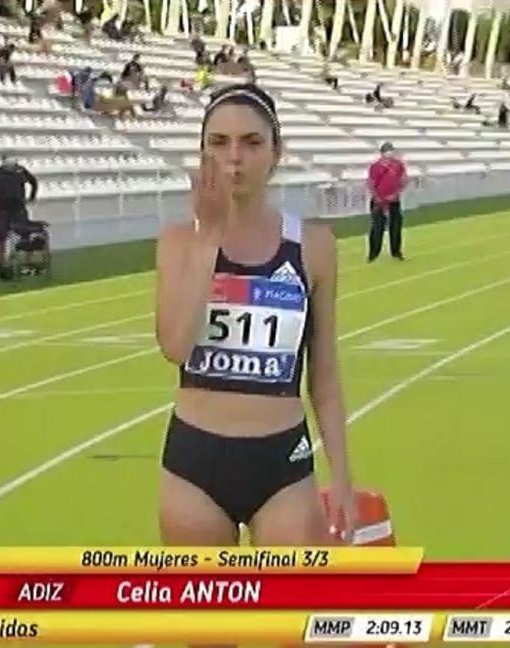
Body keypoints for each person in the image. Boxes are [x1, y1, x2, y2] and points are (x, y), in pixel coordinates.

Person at [154, 84, 357, 558]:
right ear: (202, 154)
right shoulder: (177, 244)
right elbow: (176, 347)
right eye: (219, 143)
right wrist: (208, 244)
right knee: (209, 632)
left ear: (276, 153)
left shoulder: (315, 247)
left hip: (283, 465)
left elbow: (323, 376)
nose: (234, 159)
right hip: (194, 465)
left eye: (251, 142)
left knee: (286, 626)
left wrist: (343, 478)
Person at [0, 157, 38, 281]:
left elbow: (34, 182)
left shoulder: (21, 170)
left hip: (18, 209)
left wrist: (32, 196)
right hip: (2, 210)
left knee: (25, 235)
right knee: (1, 238)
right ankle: (1, 266)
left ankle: (27, 264)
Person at [366, 142, 408, 262]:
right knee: (377, 227)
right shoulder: (375, 166)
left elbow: (403, 180)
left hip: (394, 199)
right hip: (379, 200)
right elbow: (371, 183)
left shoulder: (398, 165)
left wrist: (396, 194)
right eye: (388, 151)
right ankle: (373, 253)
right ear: (383, 152)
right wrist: (377, 197)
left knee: (395, 226)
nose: (391, 153)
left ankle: (396, 251)